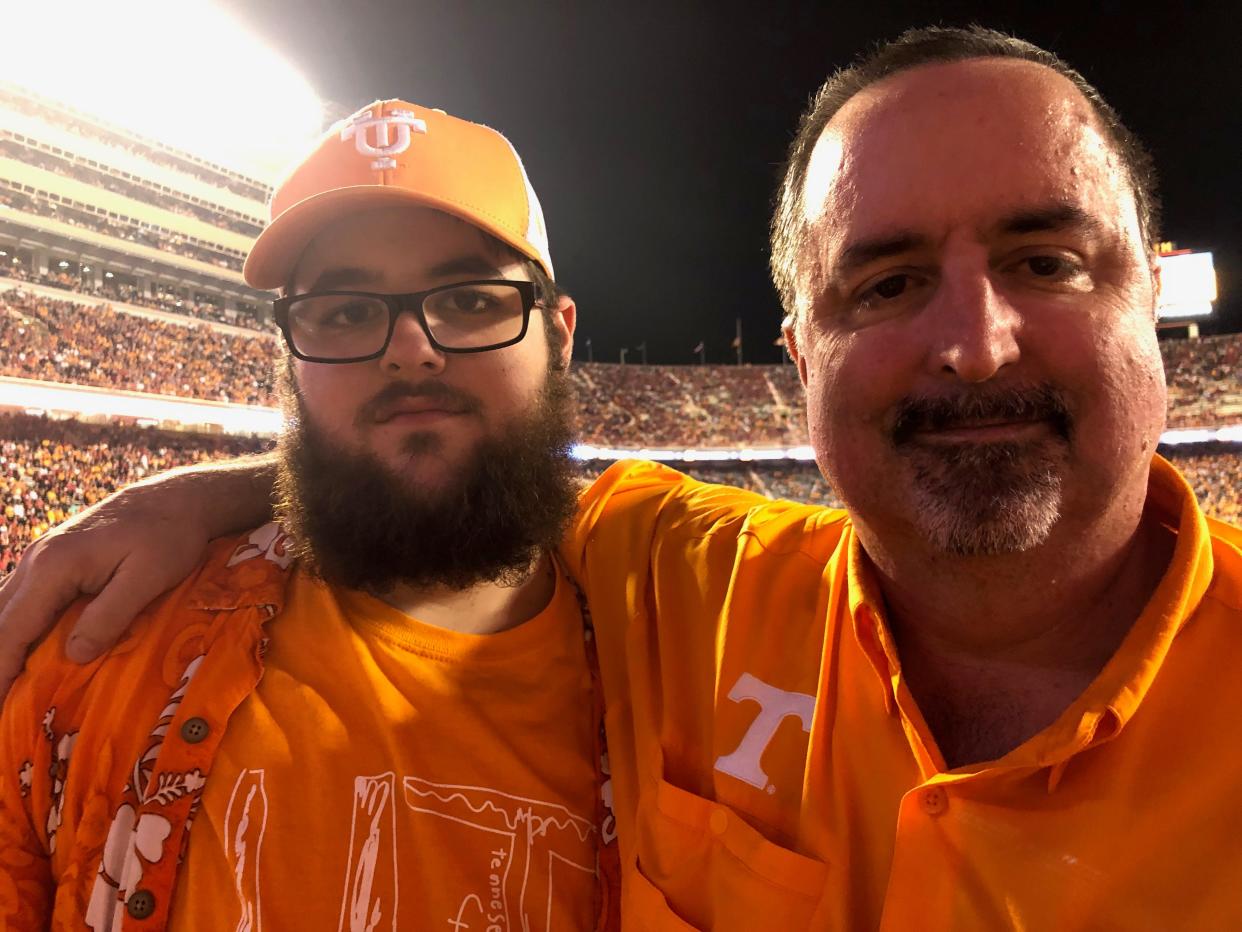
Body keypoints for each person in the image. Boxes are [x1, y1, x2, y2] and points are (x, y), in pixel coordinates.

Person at [3, 25, 1242, 930]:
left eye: (1048, 259)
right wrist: (220, 488)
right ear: (801, 352)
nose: (976, 341)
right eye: (888, 282)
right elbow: (424, 457)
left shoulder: (664, 581)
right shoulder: (98, 662)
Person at [0, 99, 619, 929]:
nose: (412, 348)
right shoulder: (95, 659)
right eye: (348, 312)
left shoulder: (689, 653)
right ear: (291, 357)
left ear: (561, 333)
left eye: (471, 300)